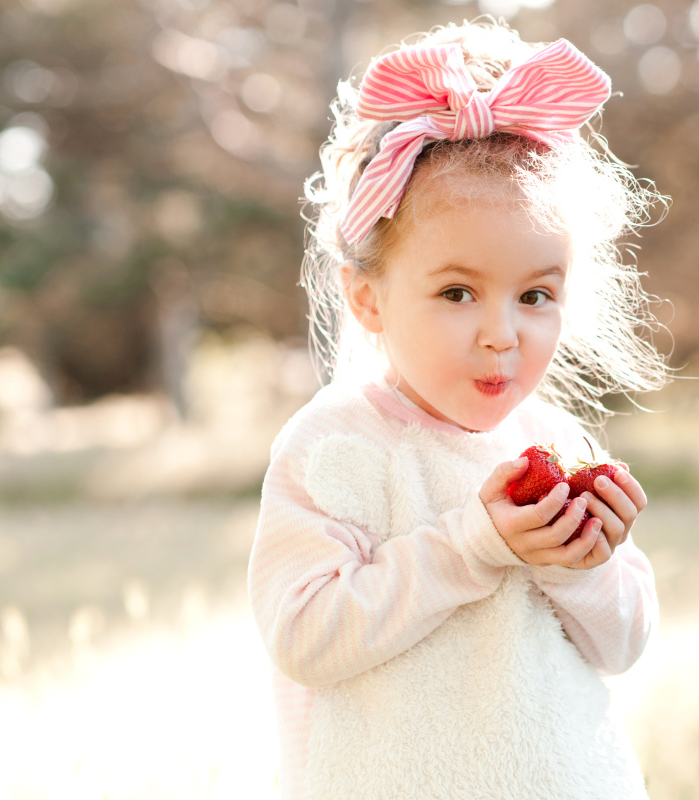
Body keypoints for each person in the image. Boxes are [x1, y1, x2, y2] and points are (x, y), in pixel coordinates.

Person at [247, 18, 670, 800]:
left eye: (535, 295)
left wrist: (588, 564)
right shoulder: (335, 446)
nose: (501, 335)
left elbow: (625, 642)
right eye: (456, 293)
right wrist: (470, 548)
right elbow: (302, 637)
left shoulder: (556, 439)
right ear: (367, 296)